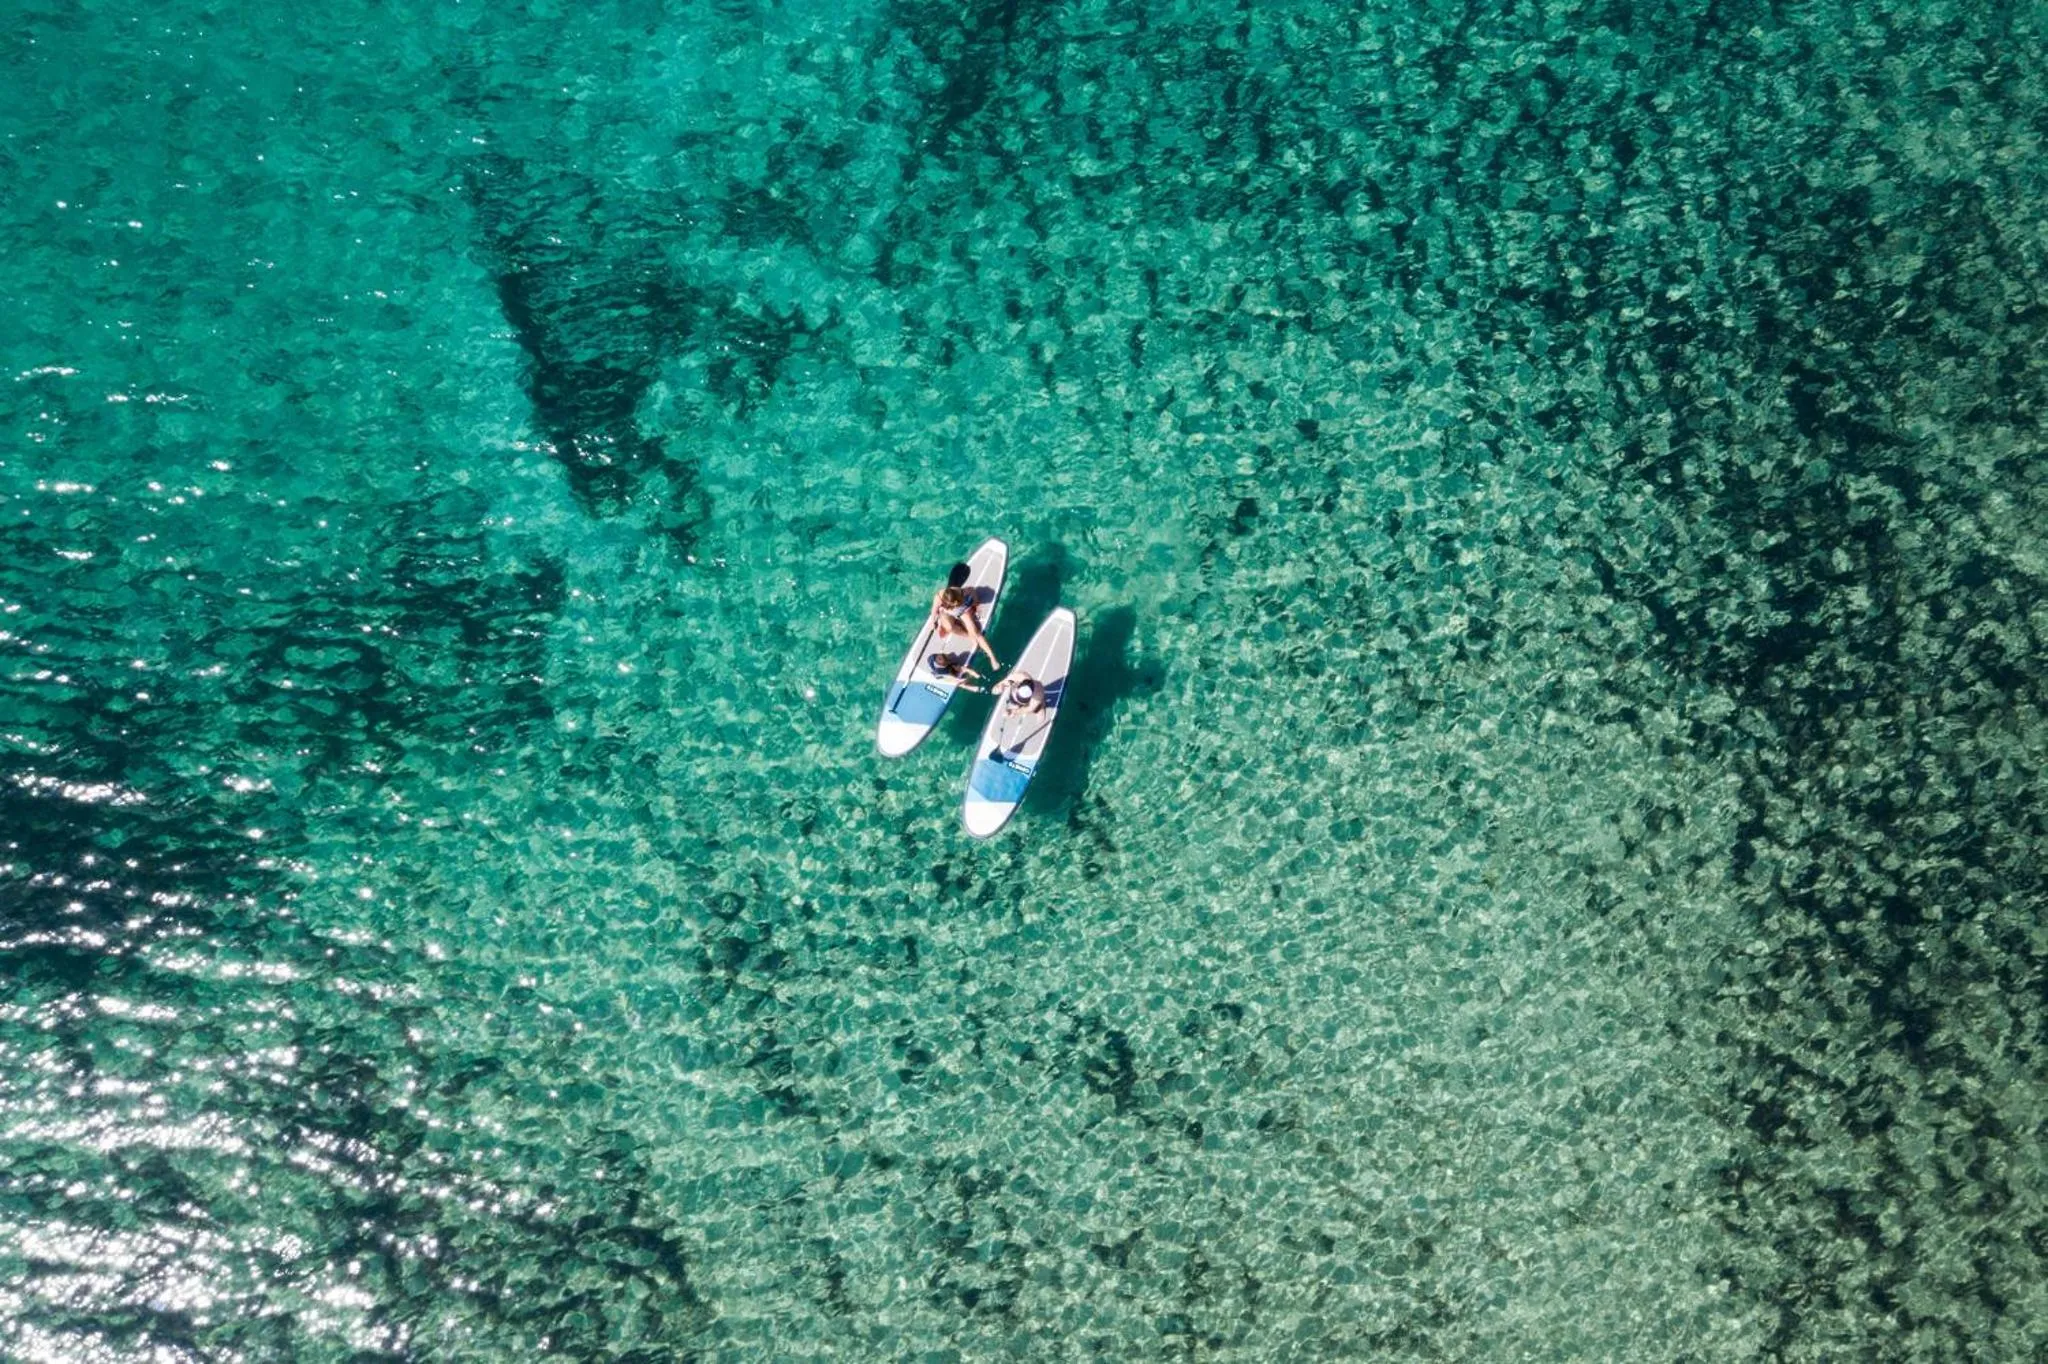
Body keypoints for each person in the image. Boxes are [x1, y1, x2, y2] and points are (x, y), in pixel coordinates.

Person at [929, 583, 1000, 669]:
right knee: (949, 627)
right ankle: (969, 636)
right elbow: (934, 611)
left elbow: (971, 590)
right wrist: (933, 622)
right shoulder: (938, 598)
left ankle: (992, 657)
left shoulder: (958, 591)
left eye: (955, 604)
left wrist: (976, 603)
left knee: (976, 633)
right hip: (946, 613)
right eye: (952, 605)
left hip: (961, 611)